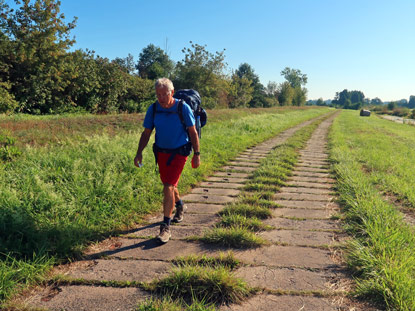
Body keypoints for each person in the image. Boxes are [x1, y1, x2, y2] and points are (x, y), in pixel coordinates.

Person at [134, 78, 200, 243]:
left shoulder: (182, 107)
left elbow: (193, 133)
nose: (161, 98)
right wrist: (139, 153)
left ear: (172, 92)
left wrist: (197, 154)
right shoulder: (154, 108)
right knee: (169, 185)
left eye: (164, 94)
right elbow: (146, 133)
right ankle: (180, 205)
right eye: (158, 94)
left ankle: (165, 227)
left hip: (179, 151)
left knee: (168, 185)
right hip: (162, 152)